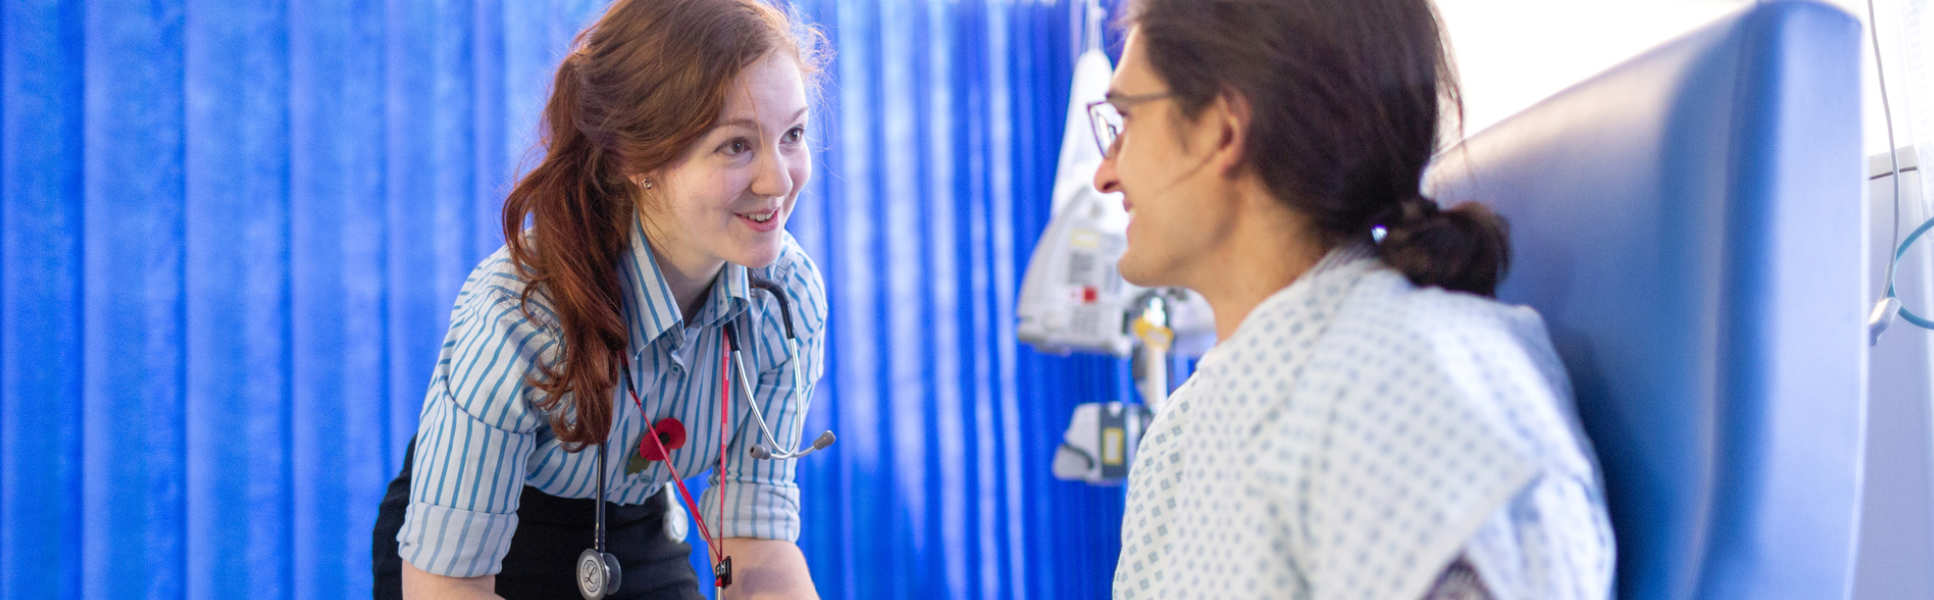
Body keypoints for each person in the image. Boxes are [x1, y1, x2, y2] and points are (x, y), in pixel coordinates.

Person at [1090, 0, 1615, 598]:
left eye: (1126, 120)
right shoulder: (1186, 430)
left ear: (1220, 129)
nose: (1104, 173)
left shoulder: (1415, 394)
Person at [369, 0, 830, 598]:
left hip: (630, 524)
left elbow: (754, 555)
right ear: (641, 162)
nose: (778, 180)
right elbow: (446, 582)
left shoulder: (785, 300)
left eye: (792, 134)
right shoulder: (522, 308)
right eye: (736, 146)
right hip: (474, 550)